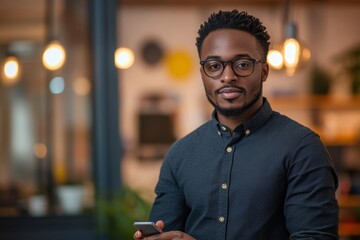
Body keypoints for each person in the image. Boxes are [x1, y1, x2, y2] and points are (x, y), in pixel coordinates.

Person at [134, 9, 339, 240]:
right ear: (203, 74)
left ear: (264, 70)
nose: (228, 76)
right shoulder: (180, 154)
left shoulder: (303, 148)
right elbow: (164, 233)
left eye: (242, 64)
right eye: (214, 66)